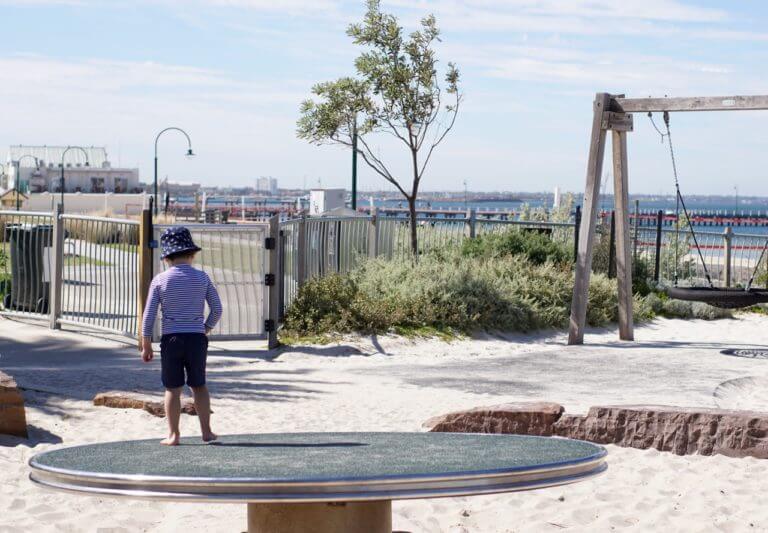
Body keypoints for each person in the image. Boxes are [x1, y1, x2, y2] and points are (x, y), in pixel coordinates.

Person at [141, 226, 223, 446]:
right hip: (196, 339)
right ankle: (206, 432)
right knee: (199, 386)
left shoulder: (160, 280)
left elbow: (149, 315)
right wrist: (205, 328)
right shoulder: (202, 277)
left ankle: (174, 434)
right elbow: (217, 309)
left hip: (172, 340)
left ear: (167, 257)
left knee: (172, 389)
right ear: (192, 254)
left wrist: (146, 343)